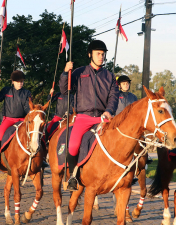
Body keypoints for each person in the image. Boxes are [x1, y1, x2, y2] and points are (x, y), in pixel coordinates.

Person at [59, 40, 119, 190]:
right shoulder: (79, 73)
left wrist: (109, 111)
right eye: (98, 53)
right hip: (83, 117)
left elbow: (114, 97)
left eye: (103, 54)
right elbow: (64, 90)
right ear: (90, 54)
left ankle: (123, 174)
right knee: (72, 146)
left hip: (103, 117)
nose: (101, 56)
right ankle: (72, 176)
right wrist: (66, 73)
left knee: (119, 142)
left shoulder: (110, 76)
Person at [0, 70, 31, 170]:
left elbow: (27, 107)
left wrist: (30, 113)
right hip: (9, 119)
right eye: (18, 81)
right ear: (12, 81)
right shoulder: (6, 90)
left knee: (34, 133)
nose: (20, 83)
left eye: (22, 81)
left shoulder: (26, 93)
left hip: (22, 120)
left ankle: (40, 158)